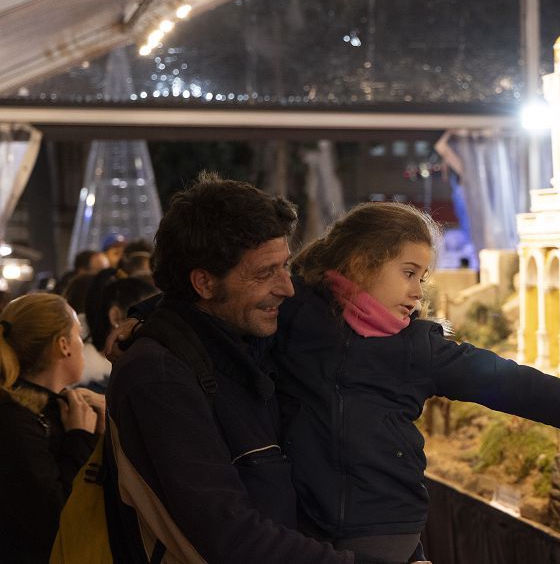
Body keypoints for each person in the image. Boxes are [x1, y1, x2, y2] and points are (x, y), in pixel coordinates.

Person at [275, 202, 560, 563]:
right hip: (304, 519)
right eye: (408, 273)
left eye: (422, 278)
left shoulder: (418, 349)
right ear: (362, 262)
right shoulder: (293, 317)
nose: (418, 292)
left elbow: (501, 378)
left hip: (384, 524)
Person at [106, 173, 353, 563]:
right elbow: (228, 535)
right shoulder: (159, 377)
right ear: (204, 283)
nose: (286, 288)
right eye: (264, 272)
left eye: (284, 266)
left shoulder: (247, 341)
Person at [0, 293, 104, 562]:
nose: (83, 344)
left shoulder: (57, 407)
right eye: (78, 334)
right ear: (63, 346)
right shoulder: (14, 419)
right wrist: (80, 438)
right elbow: (58, 516)